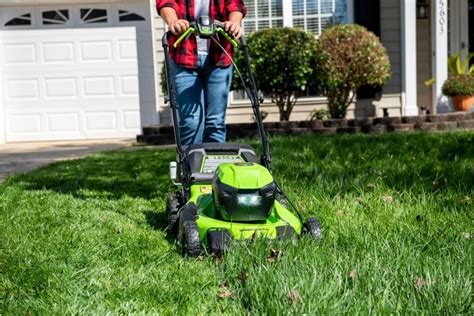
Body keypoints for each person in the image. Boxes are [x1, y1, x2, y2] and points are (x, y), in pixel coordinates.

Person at [156, 0, 247, 145]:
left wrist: (234, 22)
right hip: (184, 56)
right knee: (191, 122)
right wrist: (173, 21)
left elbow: (235, 4)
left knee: (215, 122)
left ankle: (216, 164)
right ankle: (190, 165)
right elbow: (166, 3)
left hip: (219, 55)